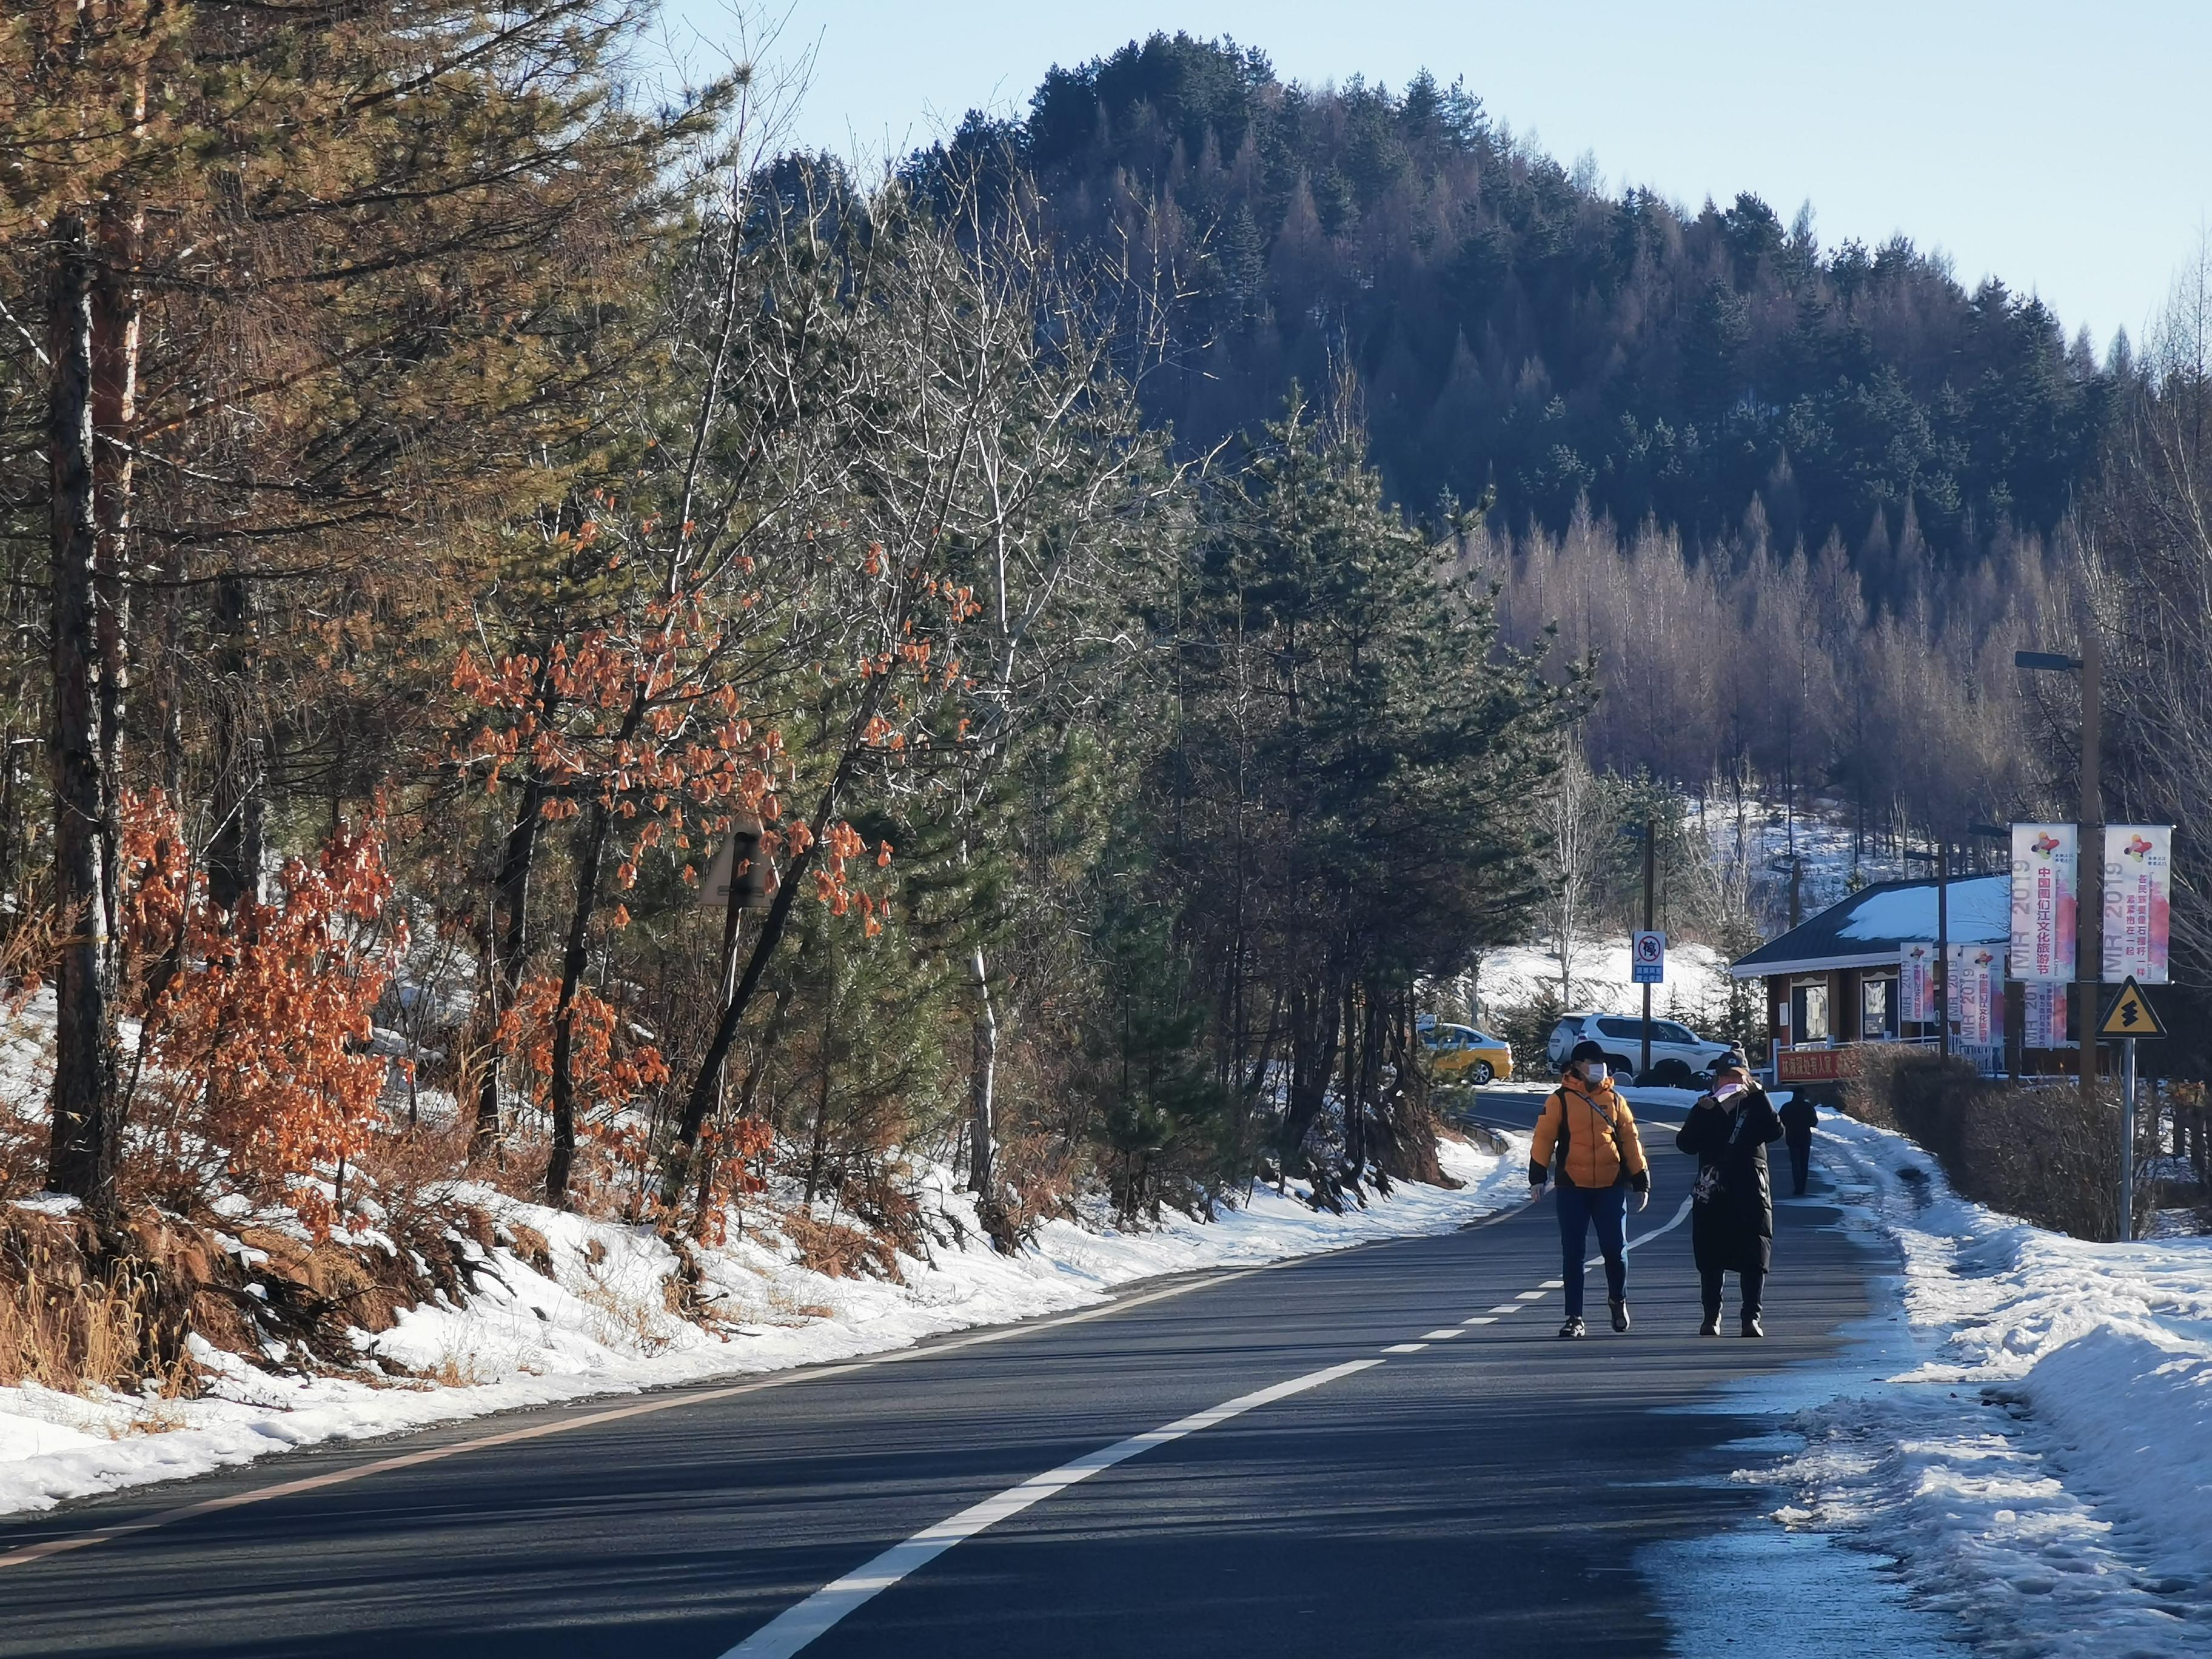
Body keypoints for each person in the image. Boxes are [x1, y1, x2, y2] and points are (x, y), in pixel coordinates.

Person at [1530, 1040, 1652, 1338]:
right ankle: (1574, 1317)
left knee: (1616, 1250)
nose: (1600, 1067)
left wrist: (1640, 1179)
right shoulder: (1560, 1100)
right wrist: (1537, 1176)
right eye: (1593, 1062)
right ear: (1578, 1066)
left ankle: (1617, 1299)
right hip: (1572, 1187)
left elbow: (1630, 1141)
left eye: (1602, 1062)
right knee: (1573, 1253)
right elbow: (1544, 1138)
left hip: (1610, 1187)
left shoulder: (1616, 1100)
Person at [1676, 1053, 1784, 1336]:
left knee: (1755, 1254)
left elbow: (1775, 1131)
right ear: (1717, 1080)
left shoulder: (1756, 1106)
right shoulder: (1706, 1107)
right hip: (1715, 1191)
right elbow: (1685, 1144)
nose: (1732, 1082)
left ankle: (1751, 1317)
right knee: (1711, 1254)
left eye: (1738, 1077)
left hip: (1751, 1189)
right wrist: (1703, 1113)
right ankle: (1711, 1316)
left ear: (1748, 1079)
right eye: (1727, 1077)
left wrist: (1761, 1097)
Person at [1778, 1090, 1820, 1197]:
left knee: (1795, 1162)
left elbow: (1780, 1120)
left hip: (1792, 1136)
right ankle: (1803, 1186)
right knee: (1804, 1162)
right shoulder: (1808, 1107)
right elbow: (1814, 1122)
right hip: (1805, 1136)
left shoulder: (1787, 1107)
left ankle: (1797, 1186)